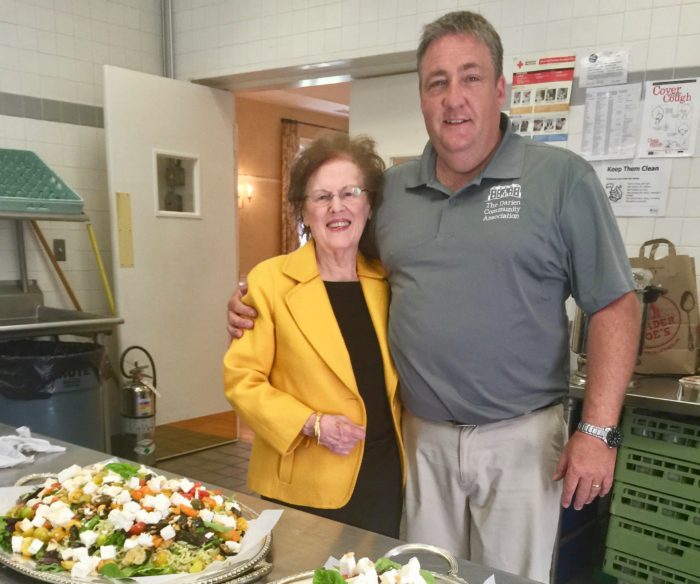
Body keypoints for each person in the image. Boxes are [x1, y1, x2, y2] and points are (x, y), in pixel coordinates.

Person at [227, 11, 640, 582]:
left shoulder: (560, 178)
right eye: (436, 82)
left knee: (508, 579)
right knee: (421, 575)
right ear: (422, 97)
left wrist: (597, 432)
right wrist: (255, 297)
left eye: (470, 77)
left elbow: (616, 304)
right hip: (420, 442)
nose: (454, 99)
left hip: (520, 441)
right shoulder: (390, 192)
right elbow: (334, 268)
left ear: (500, 88)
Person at [222, 134, 404, 538]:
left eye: (349, 193)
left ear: (369, 204)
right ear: (303, 210)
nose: (337, 207)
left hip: (382, 475)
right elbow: (241, 382)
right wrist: (311, 423)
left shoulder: (388, 280)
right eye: (321, 197)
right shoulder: (269, 281)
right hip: (304, 479)